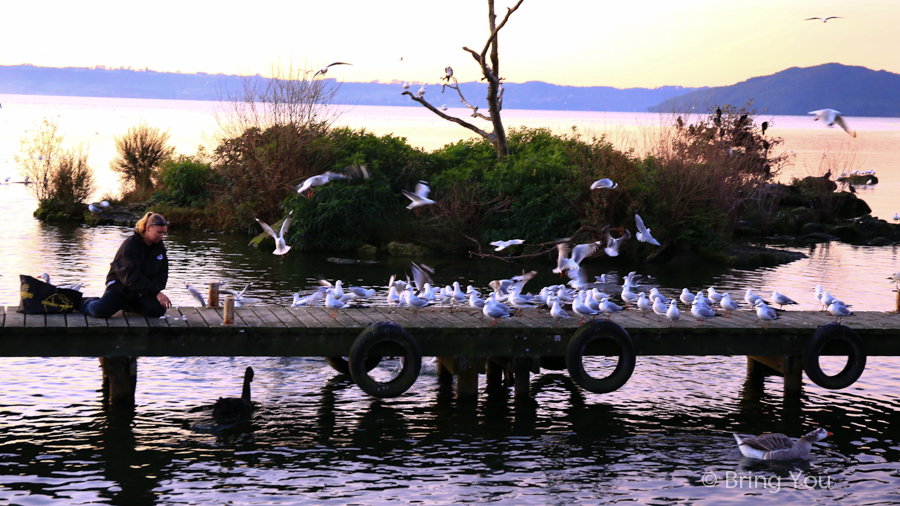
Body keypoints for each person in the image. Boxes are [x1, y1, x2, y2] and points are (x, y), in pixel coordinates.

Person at [81, 212, 172, 318]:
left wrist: (154, 291)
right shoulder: (130, 245)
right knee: (100, 311)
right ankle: (84, 302)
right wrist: (155, 291)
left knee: (158, 310)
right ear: (148, 228)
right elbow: (130, 276)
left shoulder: (159, 249)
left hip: (142, 292)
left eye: (164, 233)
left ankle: (128, 305)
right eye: (159, 232)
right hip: (120, 288)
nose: (162, 236)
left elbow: (162, 276)